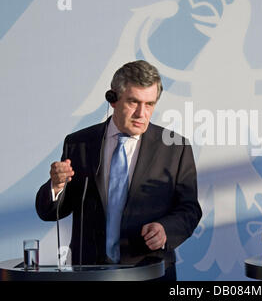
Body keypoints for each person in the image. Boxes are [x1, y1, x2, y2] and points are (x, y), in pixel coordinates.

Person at [36, 60, 202, 280]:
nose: (142, 113)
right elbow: (51, 212)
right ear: (112, 99)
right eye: (134, 102)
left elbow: (190, 209)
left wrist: (165, 230)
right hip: (90, 273)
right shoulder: (79, 143)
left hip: (149, 272)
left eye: (150, 104)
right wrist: (56, 186)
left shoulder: (175, 147)